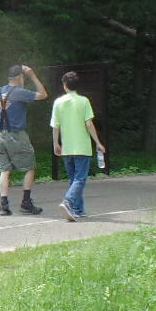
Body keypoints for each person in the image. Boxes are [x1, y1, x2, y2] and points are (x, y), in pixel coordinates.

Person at [49, 71, 107, 222]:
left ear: (64, 85)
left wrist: (56, 143)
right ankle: (68, 202)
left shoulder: (58, 102)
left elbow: (55, 126)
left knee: (74, 179)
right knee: (80, 179)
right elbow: (89, 123)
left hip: (67, 148)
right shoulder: (84, 101)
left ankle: (78, 209)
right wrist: (98, 142)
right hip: (82, 147)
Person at [0, 64, 49, 215]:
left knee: (5, 170)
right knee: (30, 167)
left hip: (1, 135)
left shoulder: (0, 91)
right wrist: (32, 75)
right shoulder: (20, 92)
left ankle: (4, 205)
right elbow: (43, 94)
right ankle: (26, 202)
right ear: (19, 77)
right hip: (16, 135)